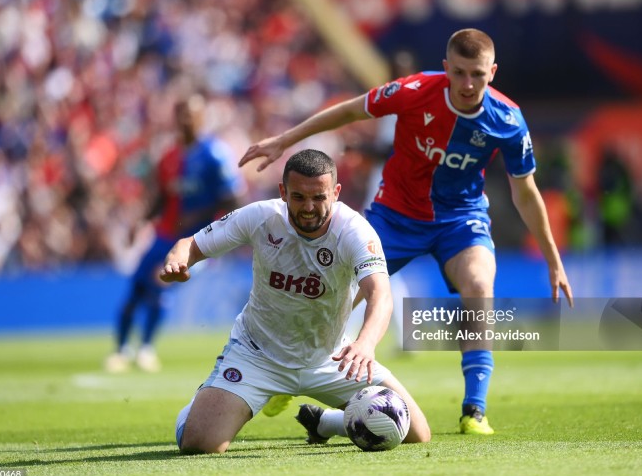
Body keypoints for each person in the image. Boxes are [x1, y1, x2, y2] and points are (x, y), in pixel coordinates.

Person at [239, 28, 574, 435]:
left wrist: (554, 260)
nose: (469, 84)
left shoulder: (508, 119)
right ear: (446, 68)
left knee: (479, 285)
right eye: (461, 73)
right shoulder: (414, 90)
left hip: (460, 219)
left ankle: (475, 410)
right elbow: (349, 111)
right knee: (340, 290)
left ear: (493, 72)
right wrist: (286, 140)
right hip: (395, 214)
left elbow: (526, 192)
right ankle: (290, 370)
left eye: (479, 75)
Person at [161, 149, 431, 453]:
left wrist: (365, 344)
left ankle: (328, 423)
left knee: (413, 431)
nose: (309, 207)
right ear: (283, 192)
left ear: (336, 192)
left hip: (332, 358)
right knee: (199, 445)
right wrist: (178, 261)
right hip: (257, 355)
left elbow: (380, 294)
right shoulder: (261, 216)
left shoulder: (355, 232)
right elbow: (191, 245)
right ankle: (202, 407)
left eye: (319, 197)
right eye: (299, 197)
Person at [105, 94, 245, 373]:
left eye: (190, 115)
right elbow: (162, 196)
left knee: (161, 282)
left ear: (202, 118)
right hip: (163, 234)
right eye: (180, 114)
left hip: (198, 239)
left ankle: (145, 348)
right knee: (135, 289)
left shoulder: (215, 154)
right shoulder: (169, 156)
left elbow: (234, 198)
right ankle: (121, 351)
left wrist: (203, 216)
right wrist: (141, 221)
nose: (184, 121)